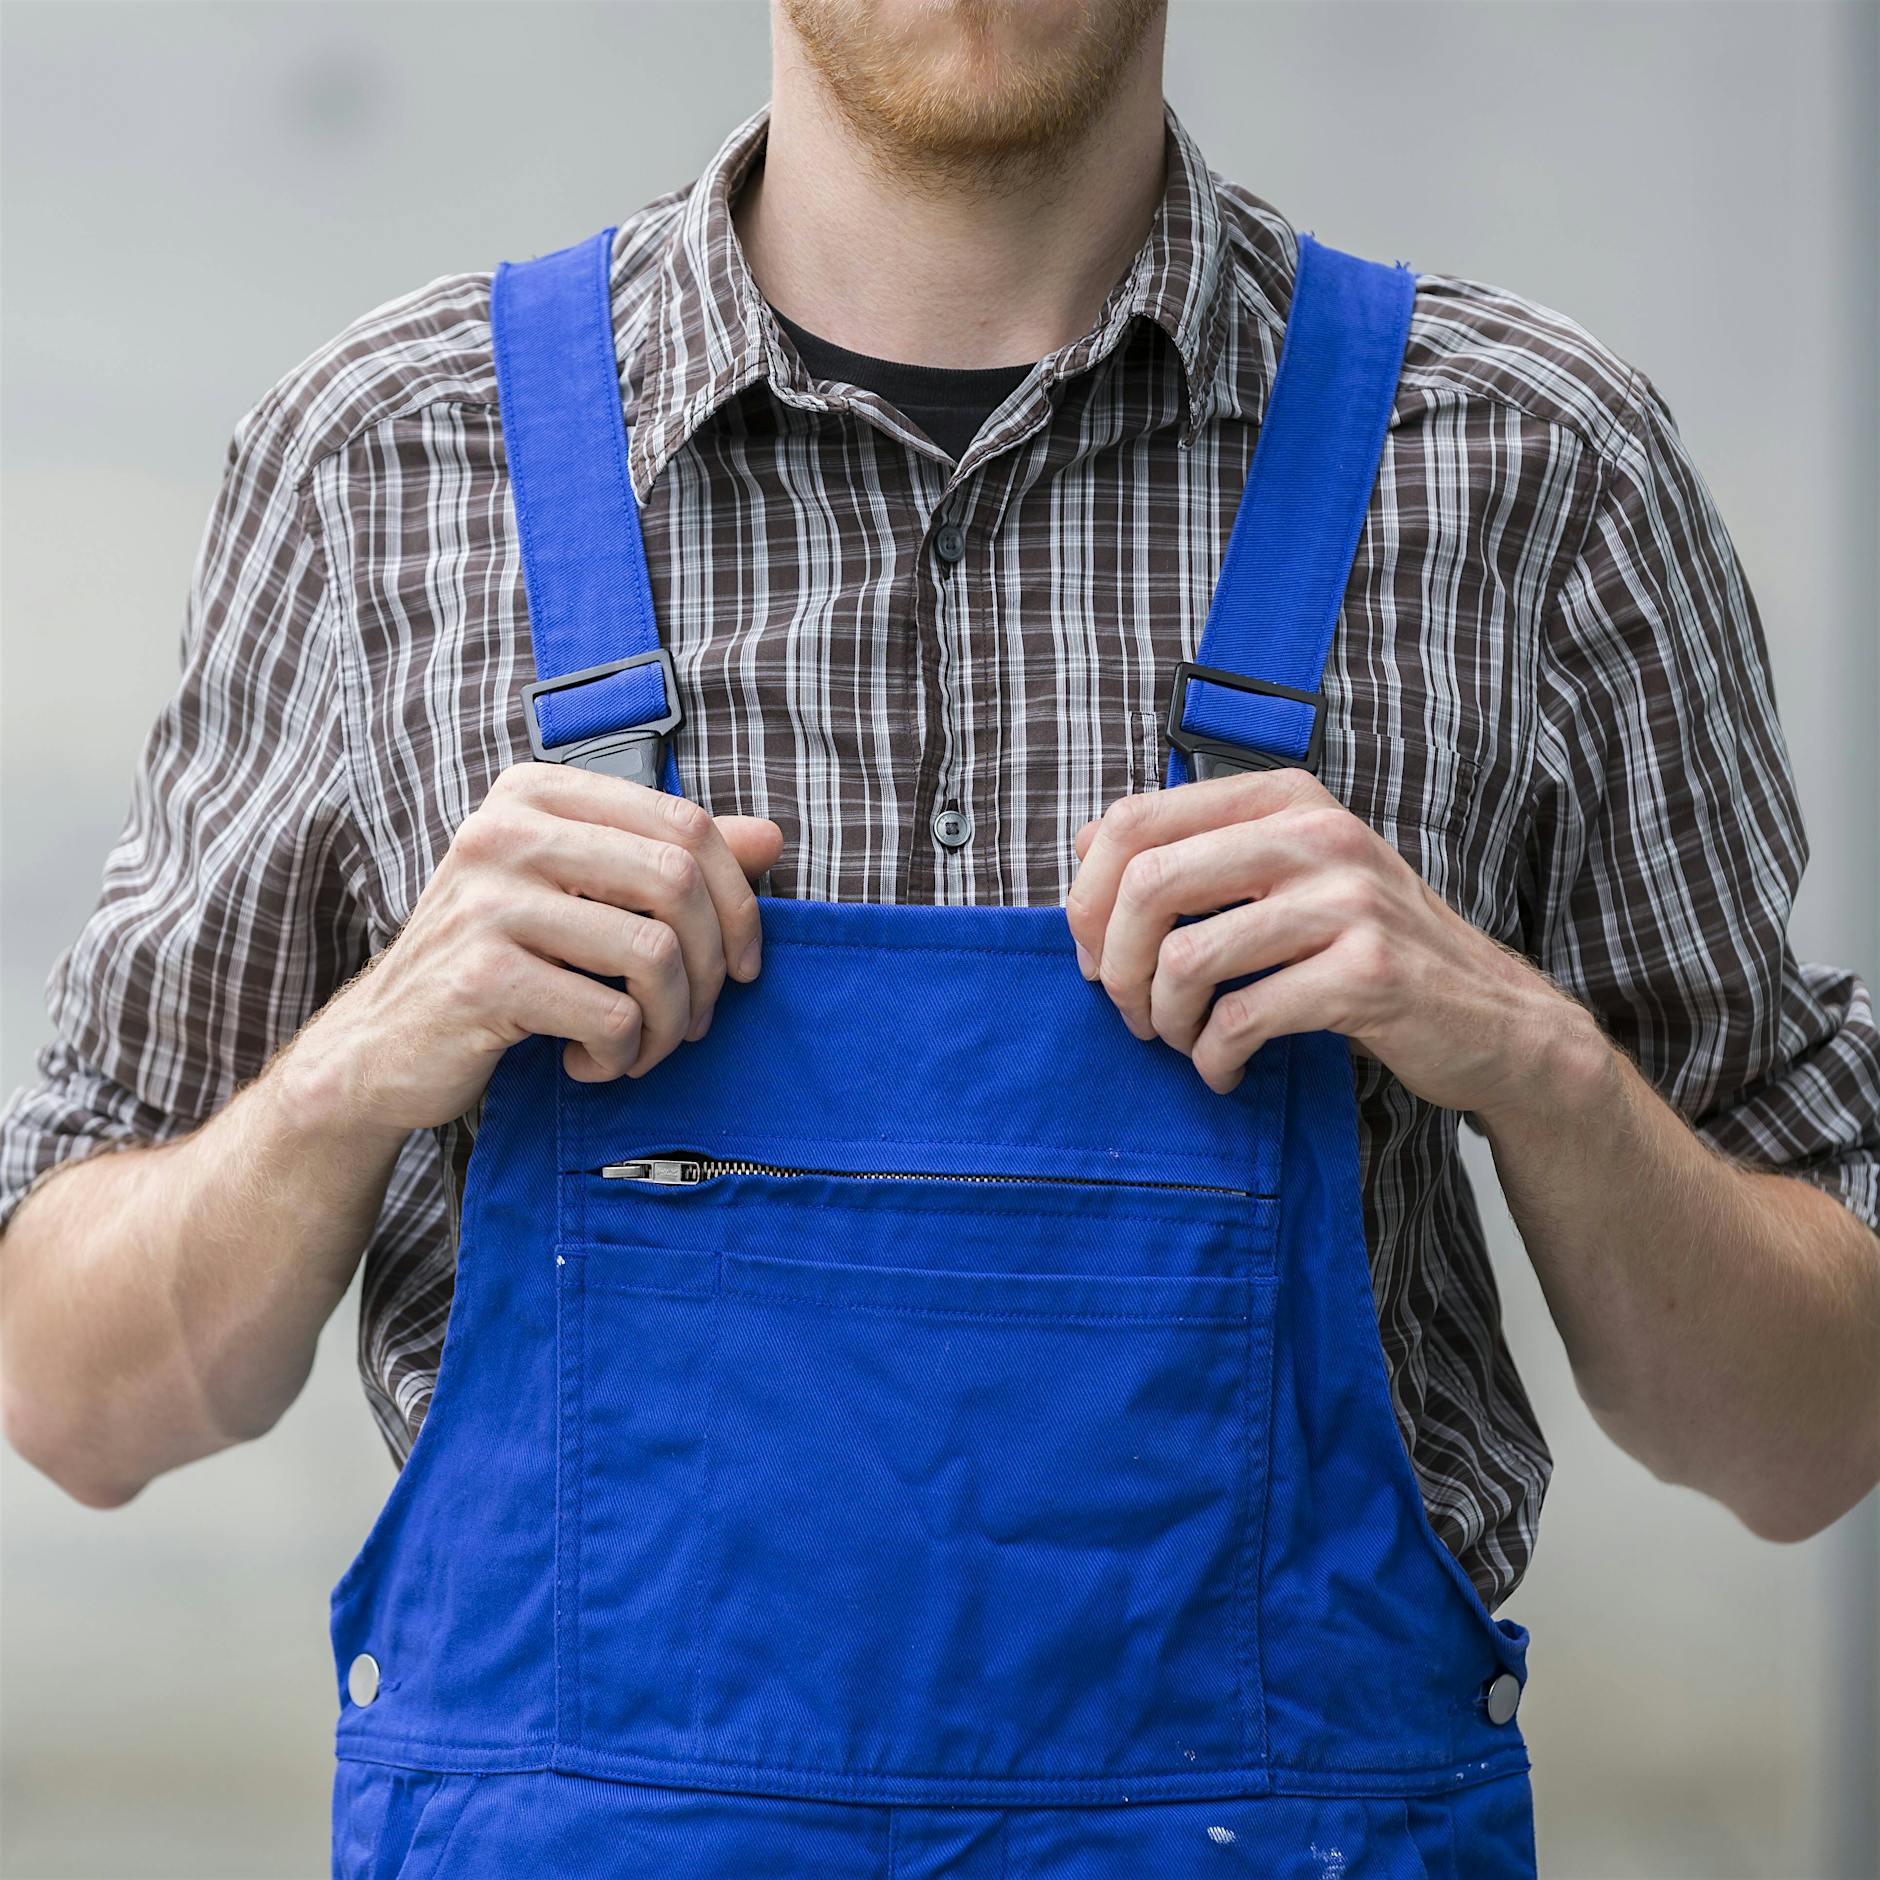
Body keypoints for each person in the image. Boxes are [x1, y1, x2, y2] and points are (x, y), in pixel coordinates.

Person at [4, 2, 1877, 1873]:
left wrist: (1530, 1055)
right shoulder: (381, 467)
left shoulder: (1532, 470)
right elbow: (72, 1398)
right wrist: (354, 1065)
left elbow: (1812, 1435)